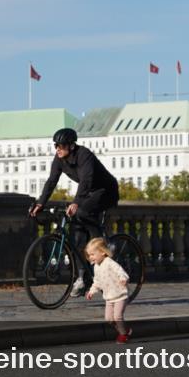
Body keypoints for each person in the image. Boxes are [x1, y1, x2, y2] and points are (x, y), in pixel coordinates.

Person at [29, 127, 120, 297]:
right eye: (56, 146)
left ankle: (104, 244)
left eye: (61, 146)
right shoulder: (59, 159)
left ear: (71, 146)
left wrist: (76, 202)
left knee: (82, 212)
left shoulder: (84, 155)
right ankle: (82, 278)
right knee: (77, 238)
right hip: (89, 193)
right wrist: (41, 203)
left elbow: (86, 180)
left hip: (106, 190)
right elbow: (51, 181)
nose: (58, 149)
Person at [85, 238, 132, 343]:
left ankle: (123, 335)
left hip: (120, 295)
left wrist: (123, 279)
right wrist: (92, 291)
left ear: (102, 252)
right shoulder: (96, 267)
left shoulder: (110, 263)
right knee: (109, 319)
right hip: (109, 297)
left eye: (92, 254)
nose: (90, 257)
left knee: (117, 316)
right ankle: (125, 330)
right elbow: (97, 281)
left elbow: (120, 271)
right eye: (89, 255)